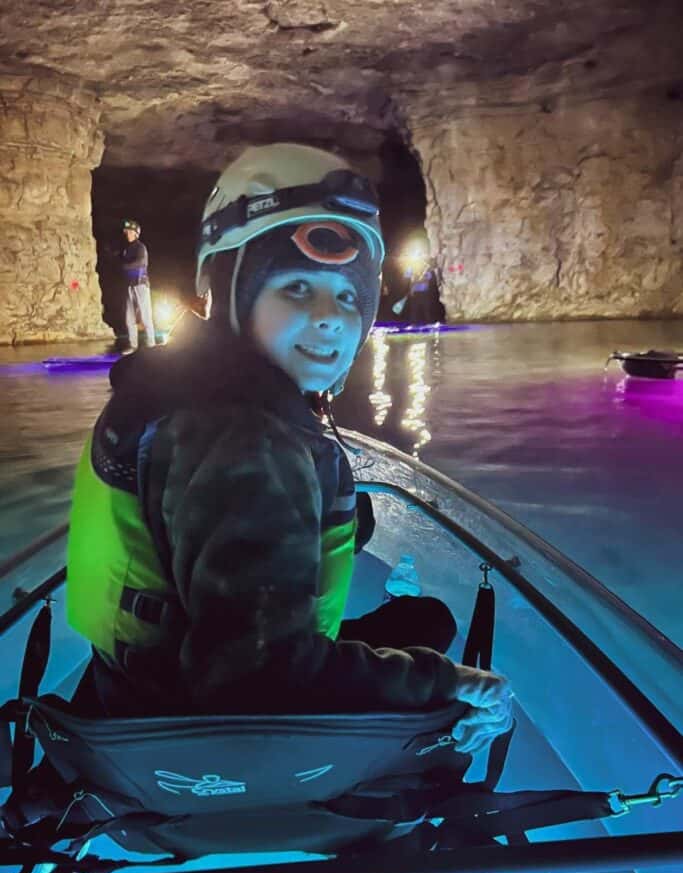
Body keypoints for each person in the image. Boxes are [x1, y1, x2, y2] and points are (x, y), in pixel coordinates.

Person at [66, 144, 511, 756]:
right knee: (439, 642)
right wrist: (446, 684)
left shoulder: (184, 386)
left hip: (132, 685)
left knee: (424, 623)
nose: (330, 318)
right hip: (197, 732)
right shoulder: (245, 440)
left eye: (349, 296)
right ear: (230, 288)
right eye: (297, 287)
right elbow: (256, 680)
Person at [120, 218, 156, 350]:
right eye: (127, 232)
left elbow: (141, 262)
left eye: (130, 232)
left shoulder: (141, 247)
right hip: (130, 285)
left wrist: (125, 266)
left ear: (136, 233)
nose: (128, 234)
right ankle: (133, 345)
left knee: (145, 316)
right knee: (129, 318)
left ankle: (151, 343)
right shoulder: (127, 249)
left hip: (141, 284)